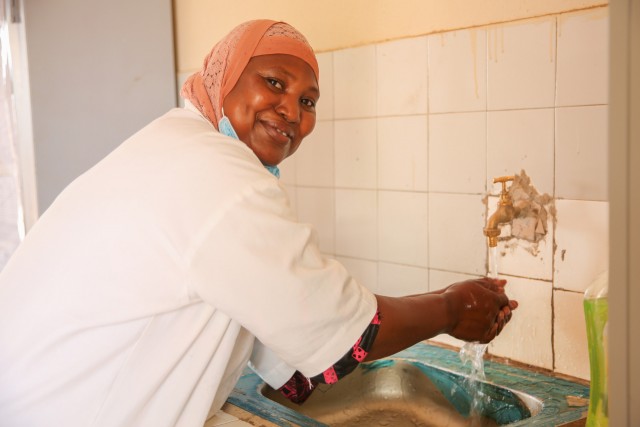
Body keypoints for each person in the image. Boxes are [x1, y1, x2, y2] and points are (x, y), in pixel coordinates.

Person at [0, 19, 517, 426]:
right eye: (274, 83)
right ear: (222, 77)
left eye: (308, 102)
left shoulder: (176, 146)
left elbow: (293, 327)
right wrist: (454, 308)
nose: (291, 111)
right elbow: (350, 331)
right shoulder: (219, 176)